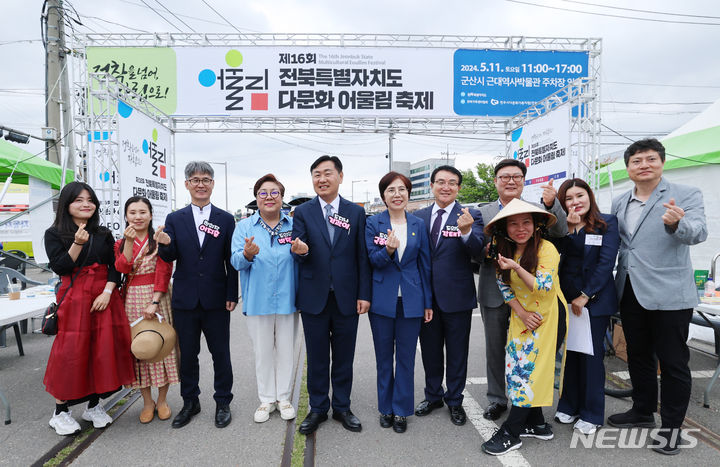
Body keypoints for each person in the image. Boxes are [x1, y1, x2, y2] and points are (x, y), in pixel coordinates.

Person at [607, 138, 707, 455]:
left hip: (670, 294)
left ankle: (671, 428)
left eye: (651, 159)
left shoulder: (686, 194)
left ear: (662, 163)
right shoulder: (621, 201)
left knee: (674, 362)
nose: (644, 165)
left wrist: (678, 223)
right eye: (637, 161)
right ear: (628, 168)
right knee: (637, 355)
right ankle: (642, 410)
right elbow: (622, 245)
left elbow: (698, 232)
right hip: (631, 290)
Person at [477, 159, 567, 421]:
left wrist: (553, 205)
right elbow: (472, 250)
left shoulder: (538, 210)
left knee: (530, 351)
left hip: (532, 296)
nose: (510, 181)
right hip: (496, 289)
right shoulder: (482, 212)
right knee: (496, 348)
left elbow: (561, 232)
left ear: (523, 181)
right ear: (495, 182)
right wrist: (478, 248)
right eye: (504, 177)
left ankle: (530, 406)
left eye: (516, 176)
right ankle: (497, 399)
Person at [43, 182, 134, 436]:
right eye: (78, 200)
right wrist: (76, 244)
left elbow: (115, 266)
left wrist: (107, 291)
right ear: (66, 205)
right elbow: (60, 267)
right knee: (70, 352)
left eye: (90, 199)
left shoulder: (103, 233)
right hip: (74, 299)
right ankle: (60, 412)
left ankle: (94, 406)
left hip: (104, 296)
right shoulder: (54, 233)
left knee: (101, 350)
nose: (86, 204)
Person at [291, 155, 372, 435]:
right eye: (316, 174)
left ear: (340, 176)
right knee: (316, 356)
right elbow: (299, 250)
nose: (322, 179)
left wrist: (364, 294)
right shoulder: (302, 212)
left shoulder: (356, 212)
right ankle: (317, 408)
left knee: (344, 356)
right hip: (314, 295)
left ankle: (342, 407)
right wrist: (300, 251)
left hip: (347, 296)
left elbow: (362, 256)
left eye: (327, 173)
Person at [155, 161, 239, 429]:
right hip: (186, 299)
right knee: (188, 354)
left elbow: (231, 260)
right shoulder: (175, 219)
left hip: (216, 298)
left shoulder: (226, 219)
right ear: (187, 184)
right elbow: (170, 256)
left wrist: (232, 293)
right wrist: (165, 245)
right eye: (195, 179)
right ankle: (190, 401)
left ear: (212, 184)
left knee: (220, 353)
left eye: (205, 179)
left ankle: (223, 401)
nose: (200, 184)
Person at [413, 165, 484, 426]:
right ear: (431, 185)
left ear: (458, 188)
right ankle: (433, 396)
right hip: (426, 299)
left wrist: (466, 231)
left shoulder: (470, 214)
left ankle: (454, 400)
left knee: (457, 353)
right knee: (430, 352)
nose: (446, 187)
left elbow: (479, 253)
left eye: (452, 183)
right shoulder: (418, 217)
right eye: (440, 182)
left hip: (458, 298)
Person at [365, 172, 433, 434]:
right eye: (391, 190)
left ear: (408, 194)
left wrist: (427, 301)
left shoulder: (417, 224)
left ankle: (401, 410)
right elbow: (373, 259)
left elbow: (424, 264)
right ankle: (385, 407)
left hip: (412, 300)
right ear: (383, 196)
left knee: (405, 358)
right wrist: (389, 251)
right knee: (384, 357)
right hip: (382, 300)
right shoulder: (373, 223)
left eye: (402, 189)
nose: (397, 194)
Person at [552, 179, 619, 435]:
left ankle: (591, 413)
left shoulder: (606, 223)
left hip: (594, 302)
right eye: (569, 198)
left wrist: (585, 295)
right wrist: (567, 230)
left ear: (589, 196)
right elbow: (556, 256)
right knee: (570, 356)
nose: (575, 202)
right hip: (565, 300)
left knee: (591, 358)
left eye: (580, 195)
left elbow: (605, 264)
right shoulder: (561, 227)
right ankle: (569, 404)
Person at [231, 174, 299, 423]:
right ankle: (266, 399)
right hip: (258, 299)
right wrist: (247, 255)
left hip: (288, 298)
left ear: (282, 198)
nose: (269, 197)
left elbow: (303, 257)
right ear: (256, 198)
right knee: (263, 352)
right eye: (263, 193)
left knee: (285, 350)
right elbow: (236, 261)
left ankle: (283, 397)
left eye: (274, 193)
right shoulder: (244, 227)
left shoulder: (294, 225)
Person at [114, 196, 179, 424]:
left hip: (158, 296)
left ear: (151, 215)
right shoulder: (120, 243)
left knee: (162, 347)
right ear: (126, 216)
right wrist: (129, 242)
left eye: (143, 212)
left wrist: (155, 299)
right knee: (139, 350)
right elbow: (122, 267)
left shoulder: (158, 239)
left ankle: (162, 400)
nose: (138, 217)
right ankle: (147, 401)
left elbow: (164, 269)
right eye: (133, 213)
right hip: (131, 298)